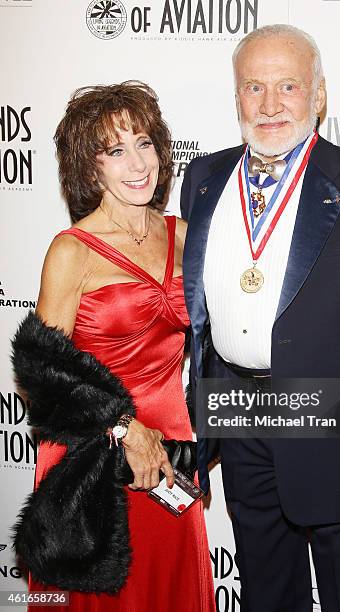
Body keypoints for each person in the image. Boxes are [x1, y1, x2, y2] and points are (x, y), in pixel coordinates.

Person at [180, 25, 340, 612]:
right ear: (236, 97)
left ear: (318, 96)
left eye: (288, 86)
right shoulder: (202, 180)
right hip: (241, 420)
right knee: (266, 593)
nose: (270, 106)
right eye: (253, 88)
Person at [20, 81, 216, 611]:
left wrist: (207, 443)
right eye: (115, 149)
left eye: (145, 143)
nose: (137, 163)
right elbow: (42, 377)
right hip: (95, 452)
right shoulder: (71, 251)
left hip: (171, 445)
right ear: (91, 168)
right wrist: (124, 430)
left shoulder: (182, 235)